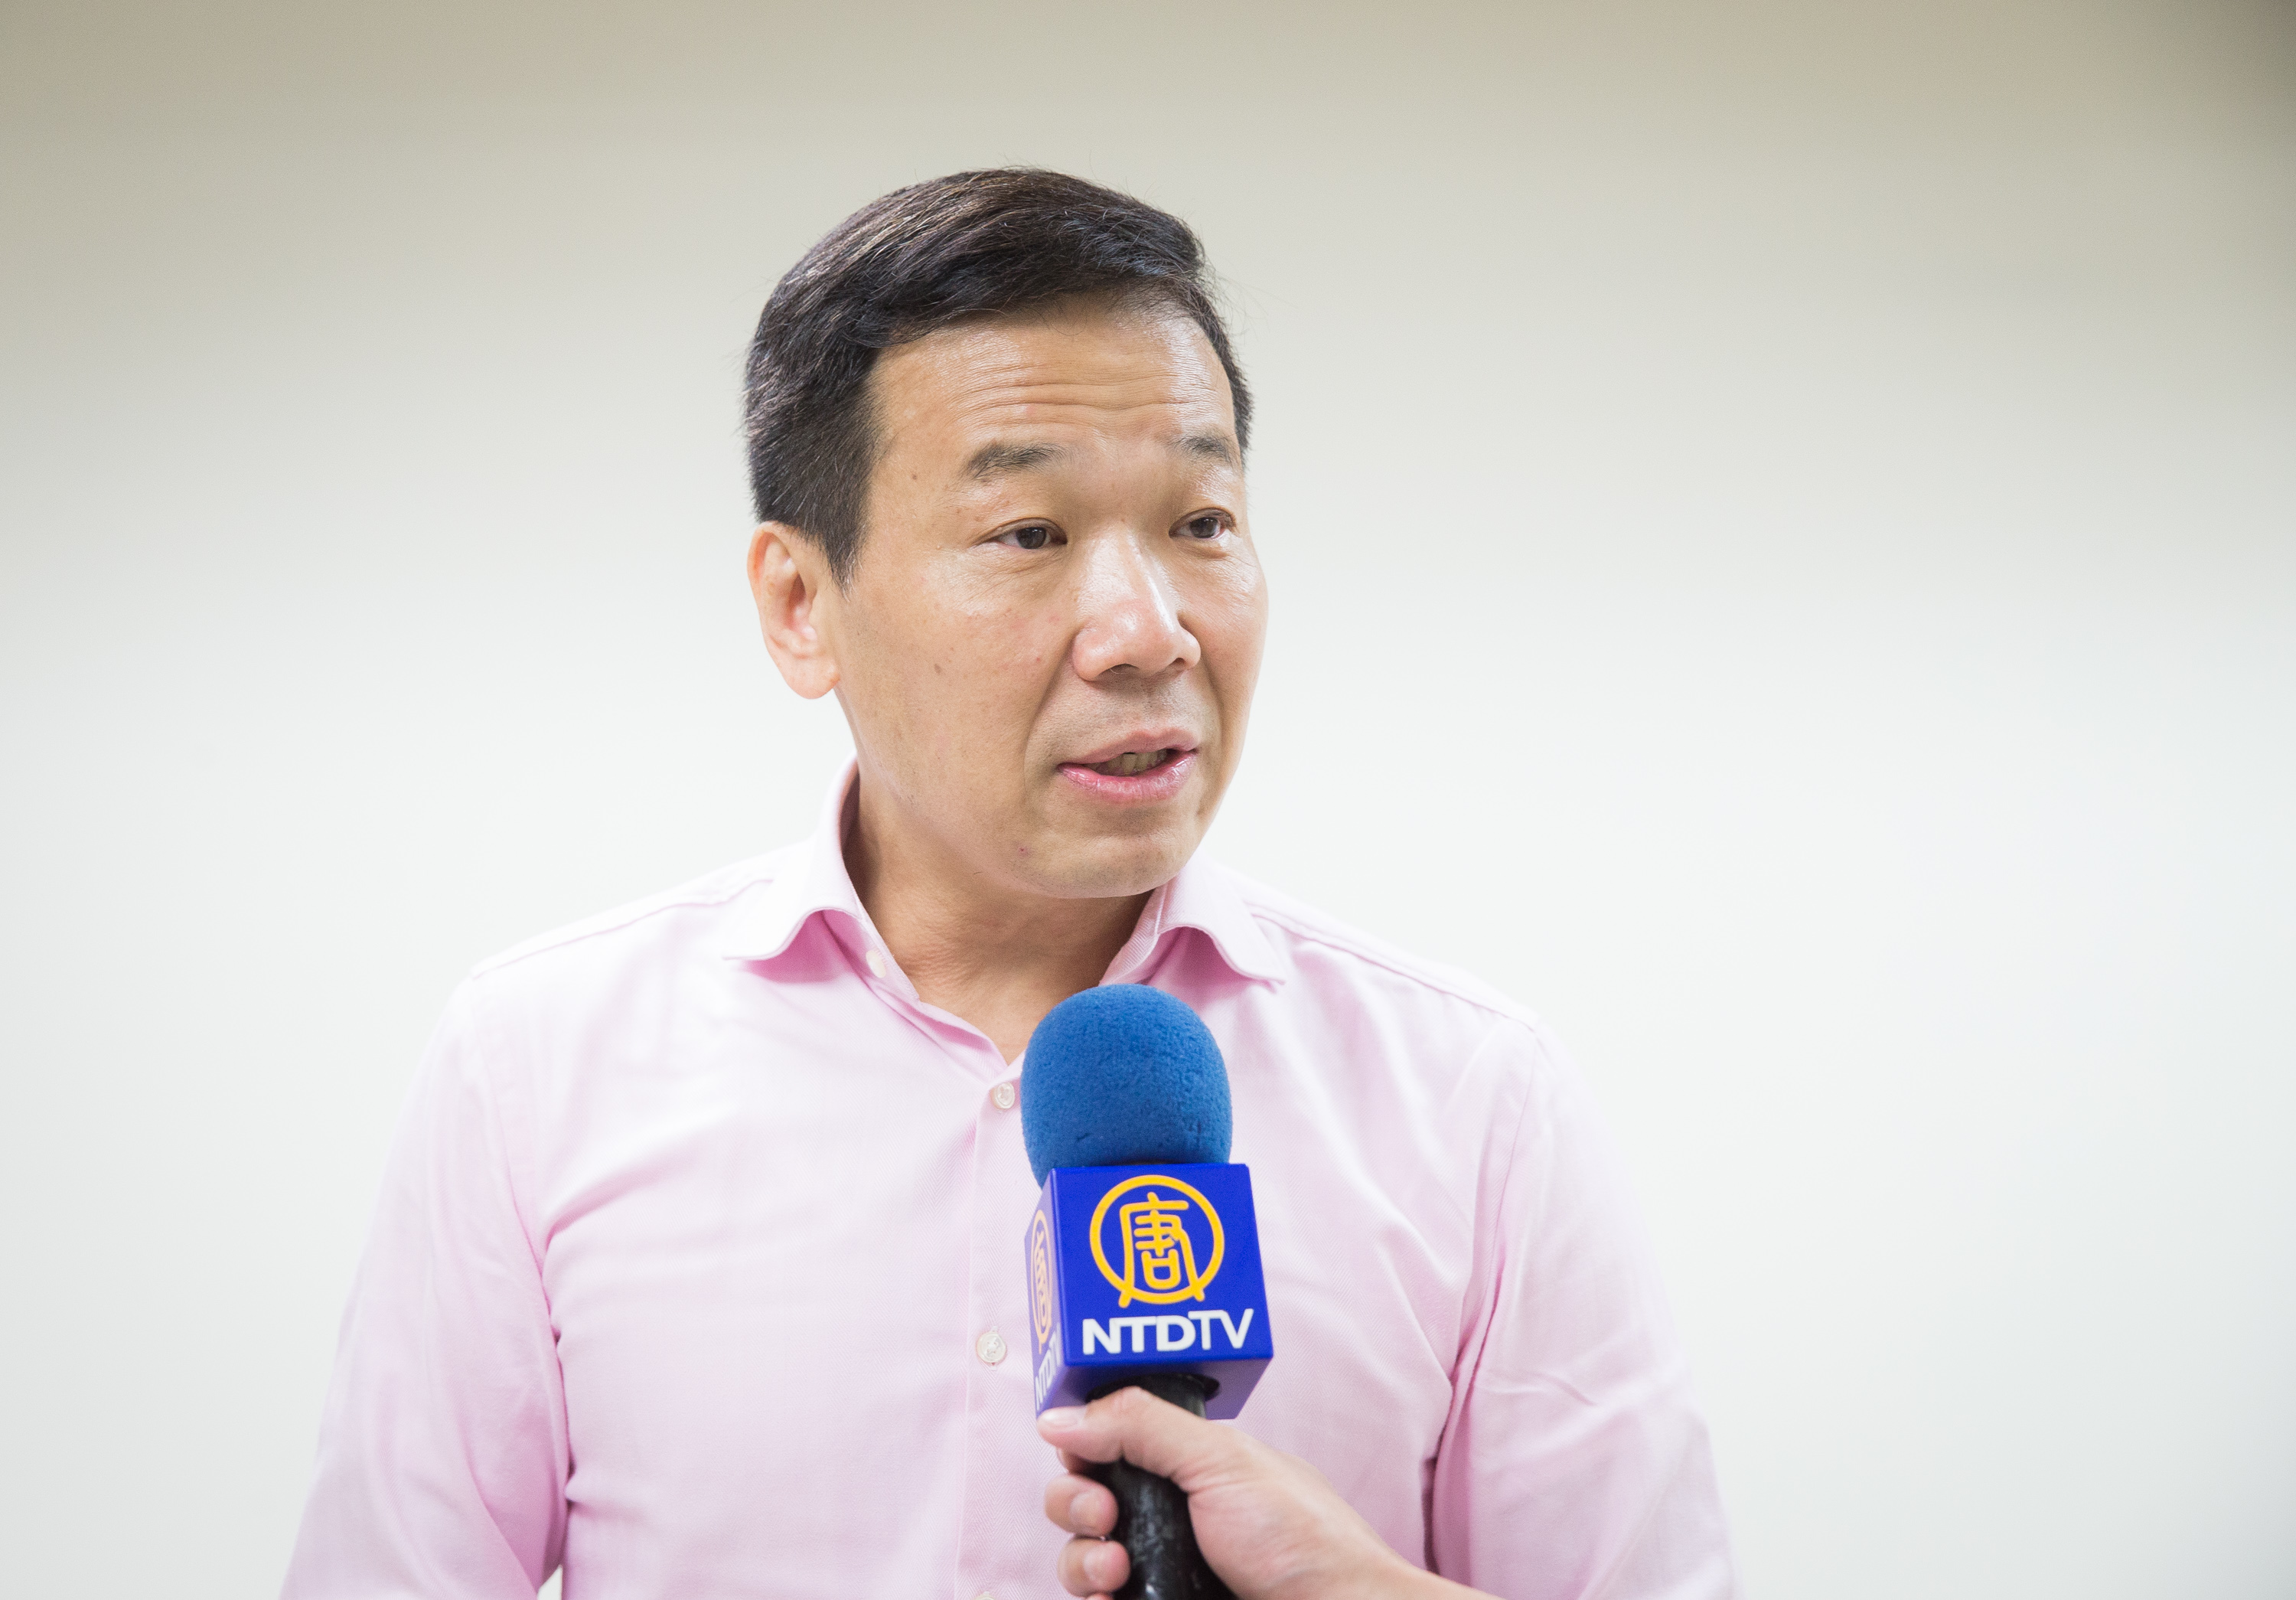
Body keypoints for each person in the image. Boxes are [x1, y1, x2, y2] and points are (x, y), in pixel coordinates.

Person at [280, 168, 1737, 1600]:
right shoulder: (537, 1068)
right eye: (1030, 535)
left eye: (1202, 523)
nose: (1147, 631)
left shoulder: (1474, 1099)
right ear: (801, 604)